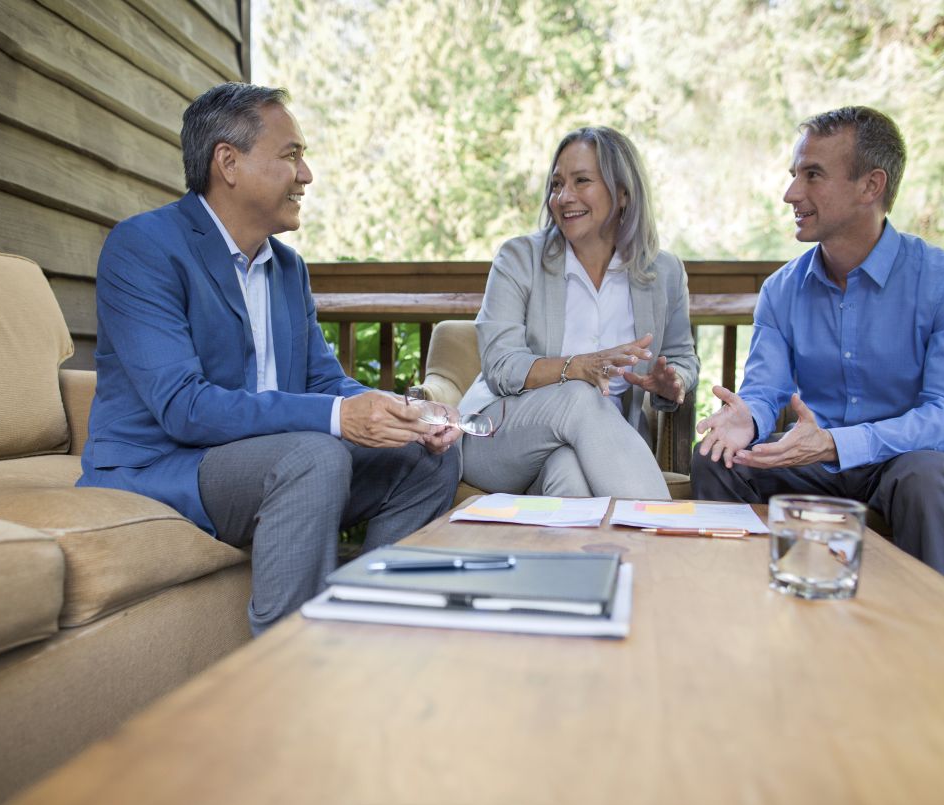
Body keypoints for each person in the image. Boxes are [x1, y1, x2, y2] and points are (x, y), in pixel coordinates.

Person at [78, 83, 461, 633]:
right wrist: (337, 419)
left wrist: (400, 412)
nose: (305, 176)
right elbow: (184, 407)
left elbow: (323, 379)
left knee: (428, 455)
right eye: (291, 155)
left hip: (267, 462)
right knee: (313, 455)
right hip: (162, 466)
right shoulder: (144, 247)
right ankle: (288, 668)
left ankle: (379, 626)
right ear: (228, 163)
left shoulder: (286, 267)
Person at [691, 106, 944, 590]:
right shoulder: (781, 289)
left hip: (910, 457)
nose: (791, 194)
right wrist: (748, 418)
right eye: (794, 175)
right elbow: (766, 389)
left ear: (870, 186)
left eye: (813, 175)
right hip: (814, 462)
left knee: (927, 479)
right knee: (718, 457)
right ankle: (735, 612)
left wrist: (835, 443)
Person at [457, 126, 699, 499]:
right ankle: (665, 537)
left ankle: (588, 557)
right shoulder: (518, 258)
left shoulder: (663, 272)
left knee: (568, 473)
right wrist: (577, 367)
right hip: (498, 437)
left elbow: (682, 358)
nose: (563, 197)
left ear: (622, 193)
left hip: (594, 448)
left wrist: (672, 383)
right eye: (556, 184)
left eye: (581, 181)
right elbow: (501, 367)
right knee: (582, 395)